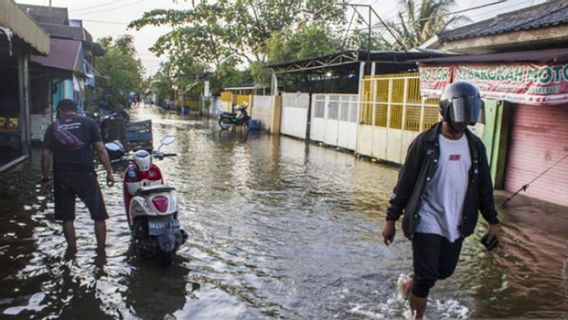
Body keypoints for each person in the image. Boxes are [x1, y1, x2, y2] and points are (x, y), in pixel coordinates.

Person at [381, 81, 500, 319]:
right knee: (426, 277)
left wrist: (493, 221)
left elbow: (484, 187)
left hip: (457, 220)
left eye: (468, 119)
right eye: (460, 118)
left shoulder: (475, 146)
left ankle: (410, 285)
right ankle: (418, 316)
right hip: (426, 217)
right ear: (447, 111)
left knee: (443, 271)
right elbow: (405, 183)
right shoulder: (424, 143)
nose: (463, 124)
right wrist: (391, 218)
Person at [41, 99, 115, 252]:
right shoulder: (88, 123)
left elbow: (45, 155)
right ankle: (101, 252)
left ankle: (72, 250)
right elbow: (101, 149)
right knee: (99, 215)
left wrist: (46, 179)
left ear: (60, 111)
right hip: (85, 175)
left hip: (62, 176)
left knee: (67, 217)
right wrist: (109, 173)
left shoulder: (53, 127)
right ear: (75, 110)